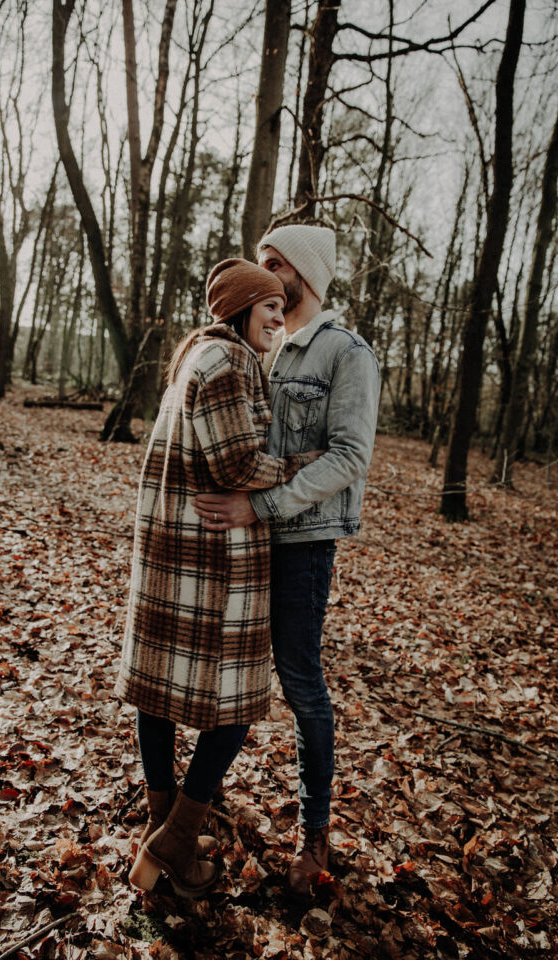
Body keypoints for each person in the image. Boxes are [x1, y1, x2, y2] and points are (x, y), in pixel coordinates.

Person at [114, 258, 323, 898]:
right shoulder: (230, 363)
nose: (279, 321)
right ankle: (177, 835)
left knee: (158, 693)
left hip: (170, 556)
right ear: (239, 309)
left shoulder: (195, 360)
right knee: (234, 705)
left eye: (283, 310)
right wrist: (298, 464)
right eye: (268, 308)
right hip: (210, 564)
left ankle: (160, 828)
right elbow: (236, 465)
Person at [193, 224, 380, 898]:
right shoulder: (257, 346)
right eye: (260, 262)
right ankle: (196, 803)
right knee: (230, 676)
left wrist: (262, 509)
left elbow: (351, 457)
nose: (264, 272)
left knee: (301, 686)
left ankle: (313, 834)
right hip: (244, 543)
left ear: (305, 274)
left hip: (301, 546)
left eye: (275, 263)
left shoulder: (345, 352)